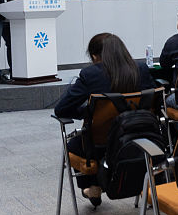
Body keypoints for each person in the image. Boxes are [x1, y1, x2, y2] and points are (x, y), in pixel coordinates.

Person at [54, 32, 155, 204]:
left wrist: (89, 112)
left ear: (94, 56)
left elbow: (62, 109)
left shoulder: (90, 74)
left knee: (74, 145)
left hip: (101, 145)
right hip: (141, 140)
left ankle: (93, 187)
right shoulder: (142, 69)